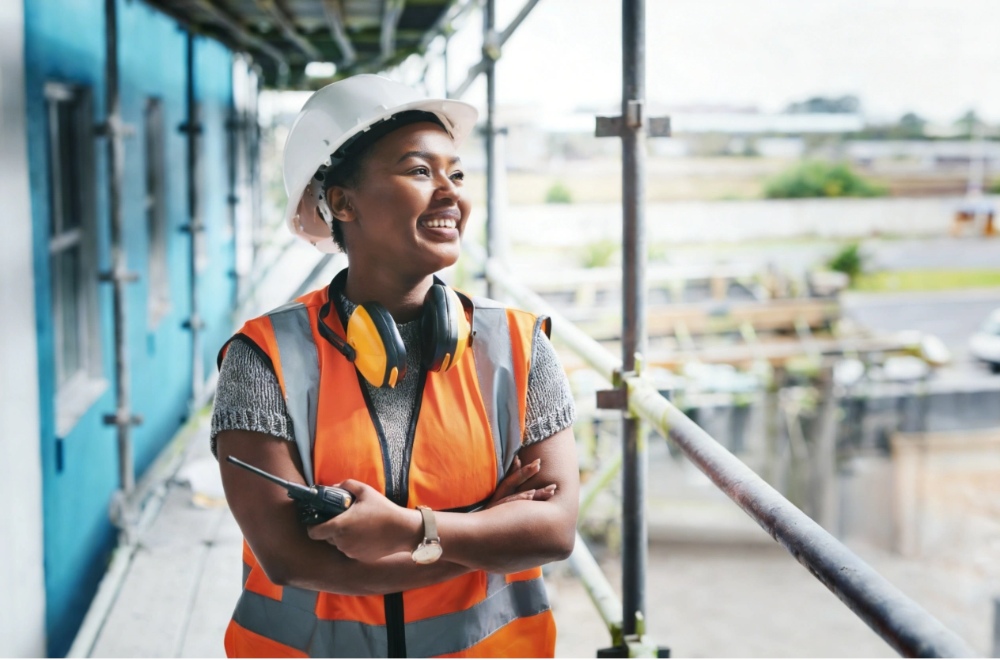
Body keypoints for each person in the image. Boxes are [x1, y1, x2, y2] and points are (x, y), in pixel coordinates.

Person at [212, 74, 580, 658]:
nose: (449, 192)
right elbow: (290, 560)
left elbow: (553, 532)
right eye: (418, 170)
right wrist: (485, 529)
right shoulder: (261, 359)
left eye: (455, 173)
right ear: (342, 201)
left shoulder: (519, 346)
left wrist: (412, 530)